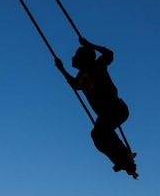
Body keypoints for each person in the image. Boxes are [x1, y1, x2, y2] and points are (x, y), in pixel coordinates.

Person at [55, 37, 137, 178]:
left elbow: (109, 54)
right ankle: (124, 160)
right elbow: (75, 85)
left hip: (116, 109)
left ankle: (125, 160)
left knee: (100, 133)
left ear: (84, 59)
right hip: (106, 114)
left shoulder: (97, 66)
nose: (72, 58)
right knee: (100, 136)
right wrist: (62, 69)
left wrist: (89, 44)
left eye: (76, 56)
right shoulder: (81, 76)